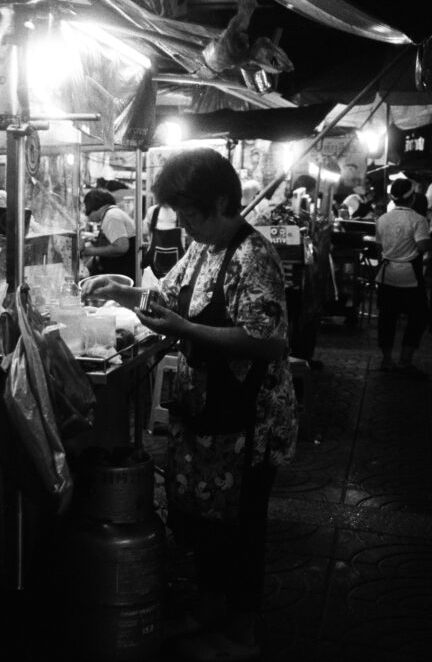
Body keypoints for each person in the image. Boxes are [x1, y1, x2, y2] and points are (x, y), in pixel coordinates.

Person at [86, 148, 297, 661]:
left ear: (221, 202)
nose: (182, 224)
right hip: (208, 411)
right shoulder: (203, 249)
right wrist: (123, 293)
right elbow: (166, 297)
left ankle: (240, 635)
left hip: (250, 424)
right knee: (207, 525)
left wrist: (184, 329)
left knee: (241, 529)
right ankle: (207, 611)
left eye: (190, 214)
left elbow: (267, 341)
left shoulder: (253, 256)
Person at [373, 178, 430, 376]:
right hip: (410, 276)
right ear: (412, 198)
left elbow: (379, 248)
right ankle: (405, 361)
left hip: (386, 275)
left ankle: (387, 360)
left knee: (386, 318)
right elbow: (422, 246)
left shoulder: (382, 219)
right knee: (419, 317)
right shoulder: (418, 220)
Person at [81, 188, 137, 281]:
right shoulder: (112, 213)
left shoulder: (111, 216)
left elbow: (121, 247)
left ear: (93, 207)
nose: (88, 216)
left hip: (122, 274)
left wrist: (89, 251)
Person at [141, 202, 185, 289]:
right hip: (154, 270)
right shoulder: (153, 211)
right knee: (151, 293)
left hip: (177, 269)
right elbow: (145, 231)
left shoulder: (180, 211)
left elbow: (145, 232)